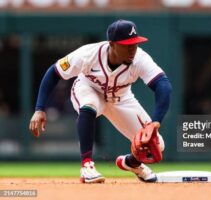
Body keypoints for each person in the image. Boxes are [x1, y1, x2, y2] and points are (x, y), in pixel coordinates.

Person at [29, 19, 172, 183]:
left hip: (121, 99)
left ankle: (131, 163)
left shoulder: (139, 58)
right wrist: (39, 108)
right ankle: (87, 166)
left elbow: (163, 85)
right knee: (89, 104)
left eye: (135, 43)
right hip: (89, 89)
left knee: (157, 144)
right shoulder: (87, 54)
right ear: (112, 44)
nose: (132, 49)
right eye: (127, 45)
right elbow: (54, 72)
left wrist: (156, 122)